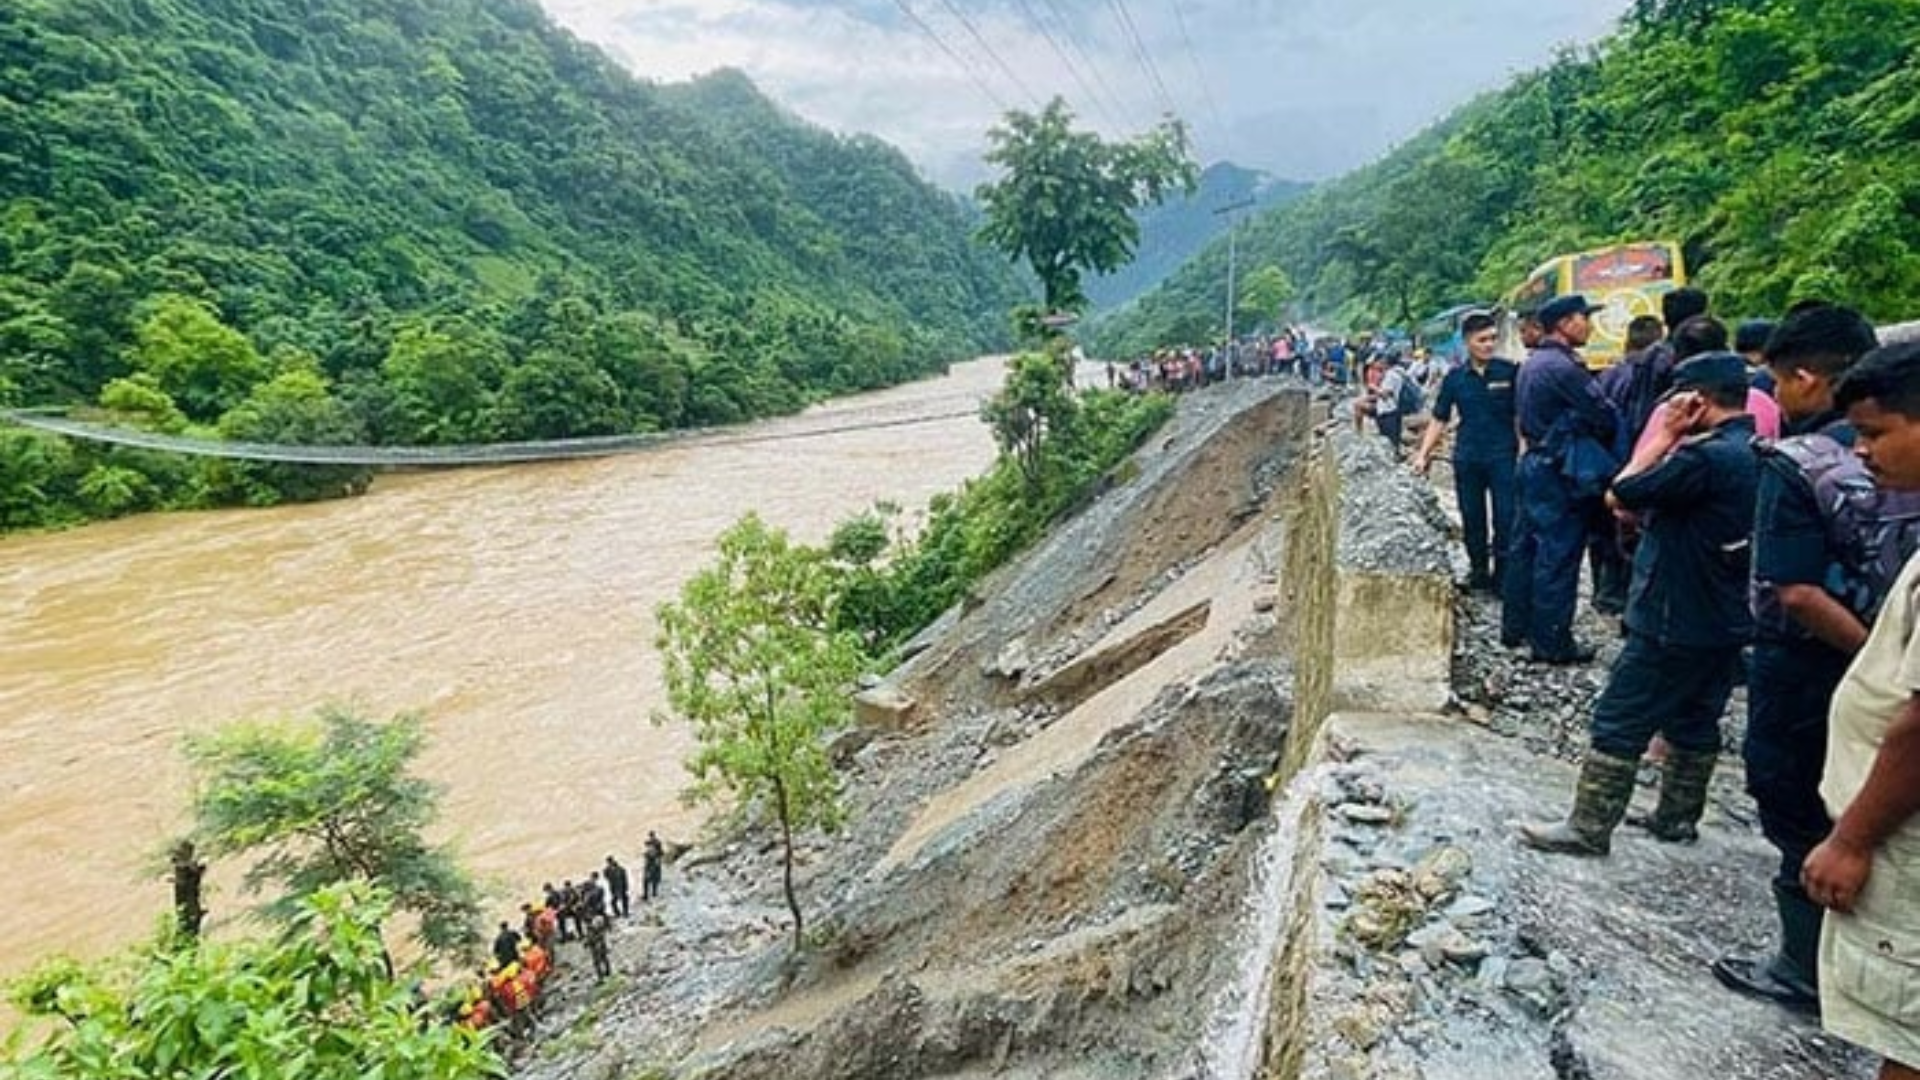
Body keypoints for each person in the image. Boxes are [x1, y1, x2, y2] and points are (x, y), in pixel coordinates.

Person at [1714, 305, 1900, 1014]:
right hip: (1891, 664)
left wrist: (1867, 658)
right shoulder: (1896, 450)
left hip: (1810, 665)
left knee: (1794, 799)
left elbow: (1793, 591)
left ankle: (1803, 964)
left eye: (1777, 382)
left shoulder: (1798, 464)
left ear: (1802, 376)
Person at [1519, 352, 1759, 855]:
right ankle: (1677, 818)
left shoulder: (1702, 459)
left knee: (1619, 717)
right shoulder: (1756, 450)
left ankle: (1588, 828)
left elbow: (1623, 491)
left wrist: (1666, 437)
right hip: (1724, 615)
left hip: (1672, 612)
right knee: (1695, 717)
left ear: (1697, 398)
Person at [1801, 341, 1920, 1079]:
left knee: (1906, 1027)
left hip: (1902, 840)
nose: (1863, 452)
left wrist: (1851, 838)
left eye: (1876, 433)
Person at [1502, 294, 1621, 664]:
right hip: (1557, 470)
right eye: (1583, 318)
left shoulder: (1532, 363)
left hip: (1533, 462)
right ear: (1565, 324)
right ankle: (1552, 642)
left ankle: (1515, 627)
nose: (1588, 324)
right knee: (1559, 552)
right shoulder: (1565, 368)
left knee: (1524, 547)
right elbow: (1603, 414)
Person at [1413, 311, 1518, 592]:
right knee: (1472, 517)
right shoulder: (1455, 379)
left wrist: (1523, 450)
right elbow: (1440, 418)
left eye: (1493, 339)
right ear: (1468, 342)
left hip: (1503, 458)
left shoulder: (1509, 372)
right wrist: (1423, 454)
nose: (1489, 345)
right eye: (1482, 339)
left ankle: (1504, 576)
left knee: (1506, 517)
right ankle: (1479, 570)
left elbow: (1521, 417)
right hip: (1468, 457)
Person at [644, 831, 665, 900]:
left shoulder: (657, 843)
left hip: (654, 863)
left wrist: (657, 859)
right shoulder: (649, 844)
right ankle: (646, 894)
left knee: (654, 879)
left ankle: (653, 892)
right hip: (649, 863)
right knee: (646, 880)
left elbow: (661, 853)